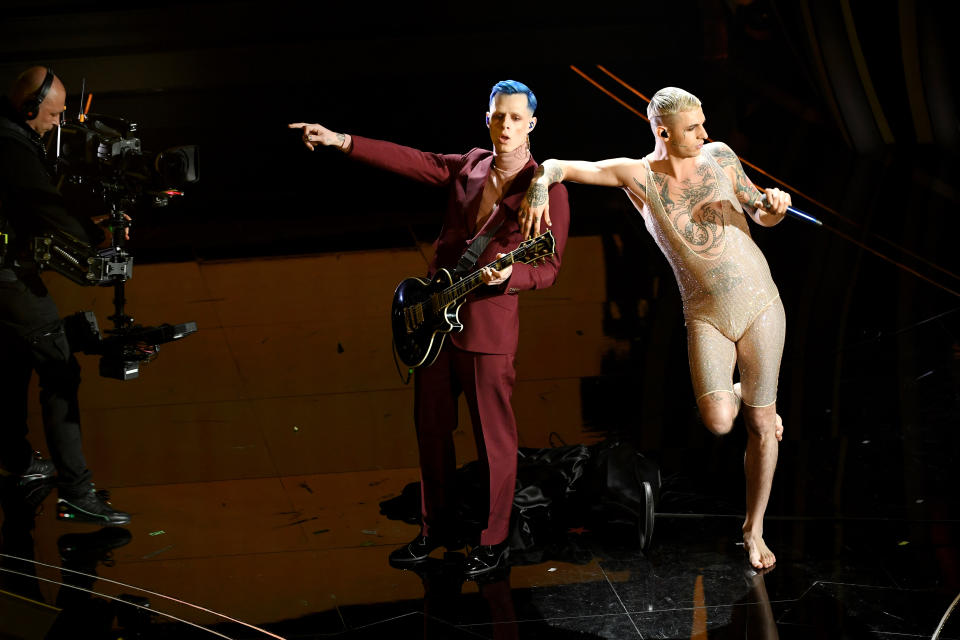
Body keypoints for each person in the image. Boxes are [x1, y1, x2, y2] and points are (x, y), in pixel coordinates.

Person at [289, 79, 569, 577]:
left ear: (532, 124)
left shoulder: (547, 189)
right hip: (435, 323)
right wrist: (341, 141)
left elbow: (548, 269)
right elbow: (412, 160)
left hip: (488, 331)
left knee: (494, 440)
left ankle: (494, 538)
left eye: (515, 118)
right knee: (432, 431)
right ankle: (433, 529)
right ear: (488, 119)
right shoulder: (470, 164)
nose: (506, 126)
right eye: (498, 116)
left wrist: (512, 276)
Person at [518, 87, 788, 570]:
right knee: (721, 422)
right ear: (662, 132)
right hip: (706, 314)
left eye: (704, 123)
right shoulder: (638, 176)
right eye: (693, 128)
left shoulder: (721, 156)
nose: (705, 133)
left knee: (761, 425)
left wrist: (775, 208)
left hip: (761, 303)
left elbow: (759, 212)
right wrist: (541, 180)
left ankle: (754, 527)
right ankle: (750, 389)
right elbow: (571, 167)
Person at [0, 66, 130, 525]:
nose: (57, 125)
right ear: (29, 108)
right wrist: (94, 242)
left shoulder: (9, 135)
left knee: (14, 362)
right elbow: (43, 207)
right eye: (52, 116)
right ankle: (77, 492)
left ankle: (18, 462)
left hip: (6, 274)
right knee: (59, 368)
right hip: (6, 280)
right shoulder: (12, 146)